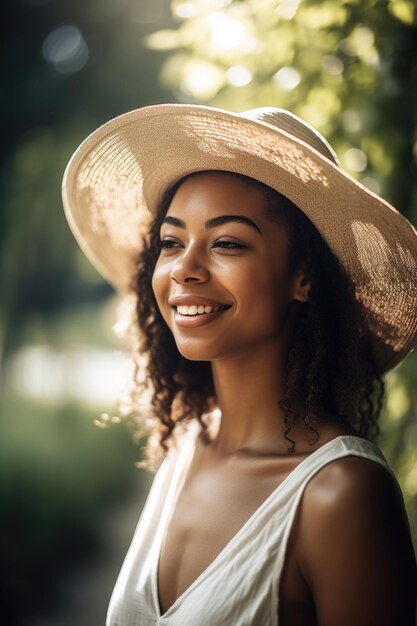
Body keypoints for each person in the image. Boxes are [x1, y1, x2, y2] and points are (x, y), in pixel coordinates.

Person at [62, 104, 417, 625]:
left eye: (227, 243)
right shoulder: (187, 445)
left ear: (304, 277)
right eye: (171, 242)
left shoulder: (341, 495)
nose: (185, 268)